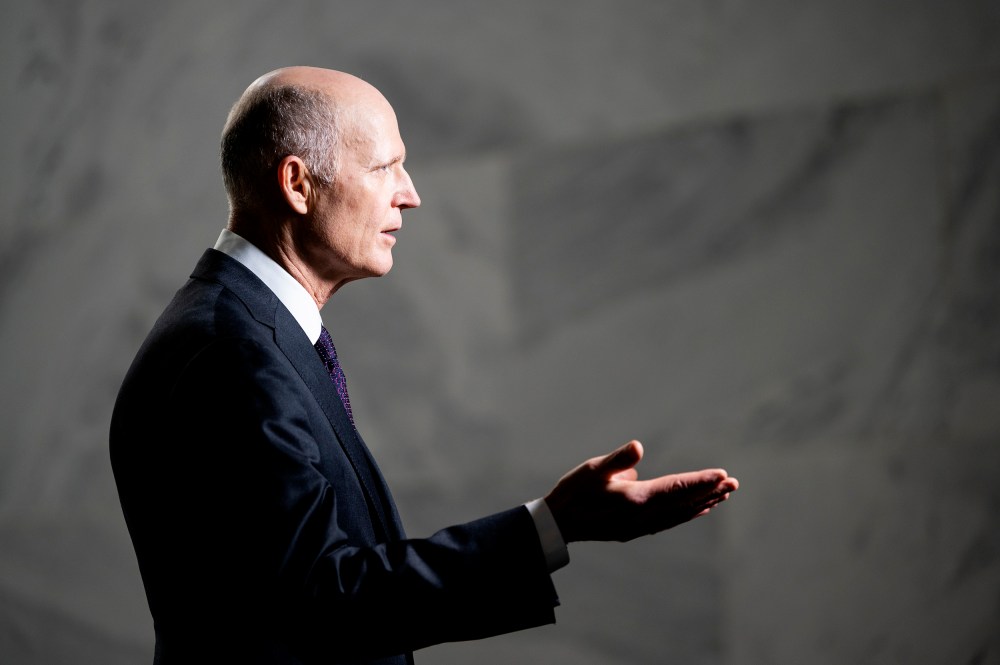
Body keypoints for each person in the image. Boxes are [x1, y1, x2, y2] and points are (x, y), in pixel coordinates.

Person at [110, 66, 739, 665]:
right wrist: (552, 526)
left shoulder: (244, 330)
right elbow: (328, 599)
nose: (410, 196)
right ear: (298, 185)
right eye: (385, 167)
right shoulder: (232, 352)